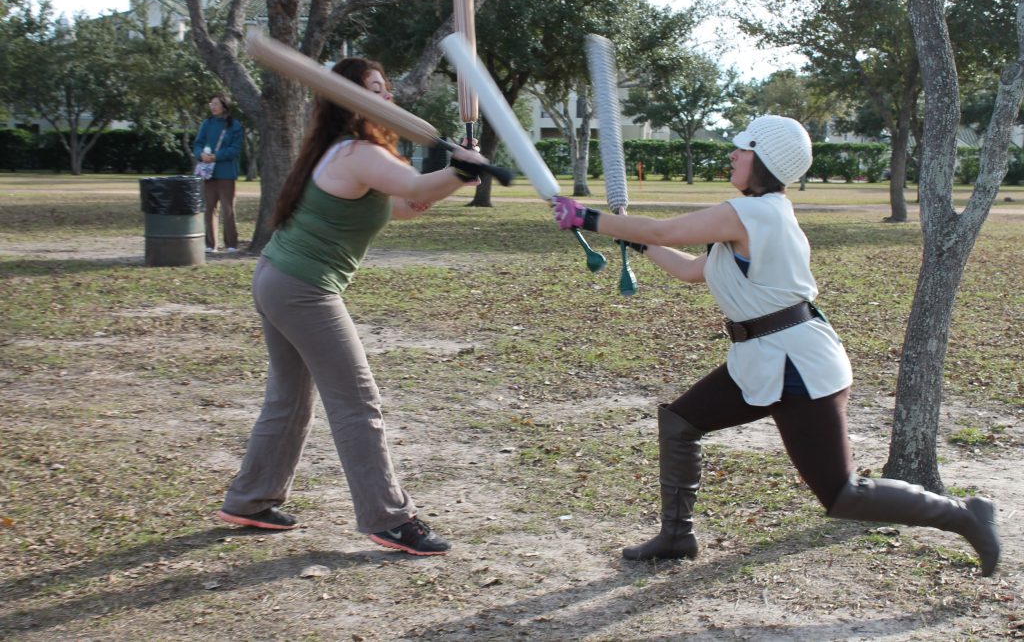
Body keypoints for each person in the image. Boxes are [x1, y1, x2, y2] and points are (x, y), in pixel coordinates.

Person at [550, 115, 1000, 577]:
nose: (732, 155)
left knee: (842, 494)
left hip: (794, 364)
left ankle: (965, 514)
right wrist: (633, 240)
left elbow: (664, 231)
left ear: (761, 159)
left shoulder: (754, 213)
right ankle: (676, 536)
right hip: (762, 356)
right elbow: (689, 268)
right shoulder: (758, 218)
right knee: (680, 422)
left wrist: (587, 216)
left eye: (741, 150)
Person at [216, 57, 488, 556]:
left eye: (386, 90)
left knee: (289, 397)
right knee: (356, 401)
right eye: (376, 91)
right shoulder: (358, 152)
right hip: (302, 287)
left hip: (279, 279)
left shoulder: (350, 152)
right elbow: (413, 187)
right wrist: (457, 169)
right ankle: (389, 518)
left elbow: (405, 206)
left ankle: (250, 499)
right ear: (350, 102)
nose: (387, 100)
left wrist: (457, 175)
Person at [193, 93, 245, 253]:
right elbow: (198, 143)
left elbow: (235, 149)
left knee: (227, 209)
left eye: (216, 103)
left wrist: (216, 156)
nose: (213, 106)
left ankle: (231, 244)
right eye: (211, 103)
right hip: (208, 174)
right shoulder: (206, 124)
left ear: (224, 106)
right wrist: (200, 154)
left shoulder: (235, 126)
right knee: (209, 208)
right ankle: (210, 244)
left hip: (226, 172)